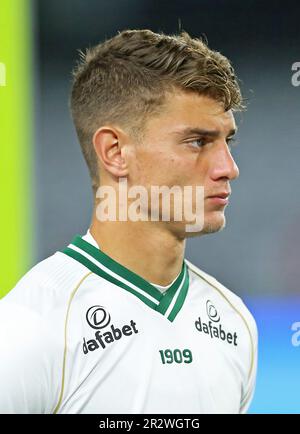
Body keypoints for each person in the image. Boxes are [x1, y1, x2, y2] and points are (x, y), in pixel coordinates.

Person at [0, 28, 258, 414]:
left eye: (227, 142)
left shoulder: (234, 322)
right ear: (115, 152)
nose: (228, 168)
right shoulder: (30, 326)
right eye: (197, 142)